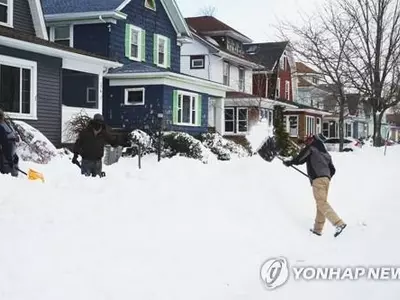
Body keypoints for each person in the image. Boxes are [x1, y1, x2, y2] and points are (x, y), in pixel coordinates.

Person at [283, 134, 347, 237]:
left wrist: (290, 162)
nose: (307, 142)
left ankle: (339, 223)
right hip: (326, 180)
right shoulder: (326, 154)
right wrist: (325, 176)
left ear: (313, 140)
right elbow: (333, 170)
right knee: (321, 204)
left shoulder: (311, 148)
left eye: (308, 140)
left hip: (318, 180)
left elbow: (300, 159)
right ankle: (317, 230)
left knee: (321, 203)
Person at [0, 109, 19, 177]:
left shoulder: (3, 127)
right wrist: (10, 160)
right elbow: (5, 144)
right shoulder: (3, 127)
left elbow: (5, 144)